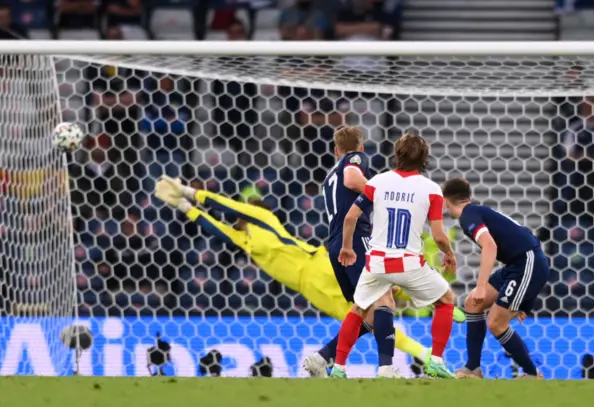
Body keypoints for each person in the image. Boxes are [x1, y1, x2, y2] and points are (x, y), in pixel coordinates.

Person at [152, 174, 436, 370]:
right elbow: (217, 229)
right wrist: (183, 207)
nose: (237, 221)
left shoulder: (263, 218)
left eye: (241, 216)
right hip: (311, 288)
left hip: (319, 265)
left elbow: (227, 206)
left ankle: (410, 298)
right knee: (367, 321)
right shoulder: (245, 240)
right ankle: (419, 355)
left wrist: (193, 193)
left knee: (377, 300)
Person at [332, 134, 458, 379]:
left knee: (358, 309)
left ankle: (338, 367)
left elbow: (350, 217)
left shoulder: (378, 182)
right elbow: (439, 235)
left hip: (376, 262)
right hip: (410, 264)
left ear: (397, 154)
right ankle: (436, 361)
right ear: (424, 158)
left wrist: (347, 248)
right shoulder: (431, 189)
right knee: (446, 300)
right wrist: (449, 254)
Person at [442, 177, 550, 379]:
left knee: (496, 323)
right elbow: (522, 237)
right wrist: (526, 302)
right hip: (520, 264)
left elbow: (490, 246)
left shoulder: (468, 216)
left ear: (445, 200)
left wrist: (482, 286)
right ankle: (473, 368)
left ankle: (532, 373)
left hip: (527, 263)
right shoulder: (478, 211)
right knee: (472, 304)